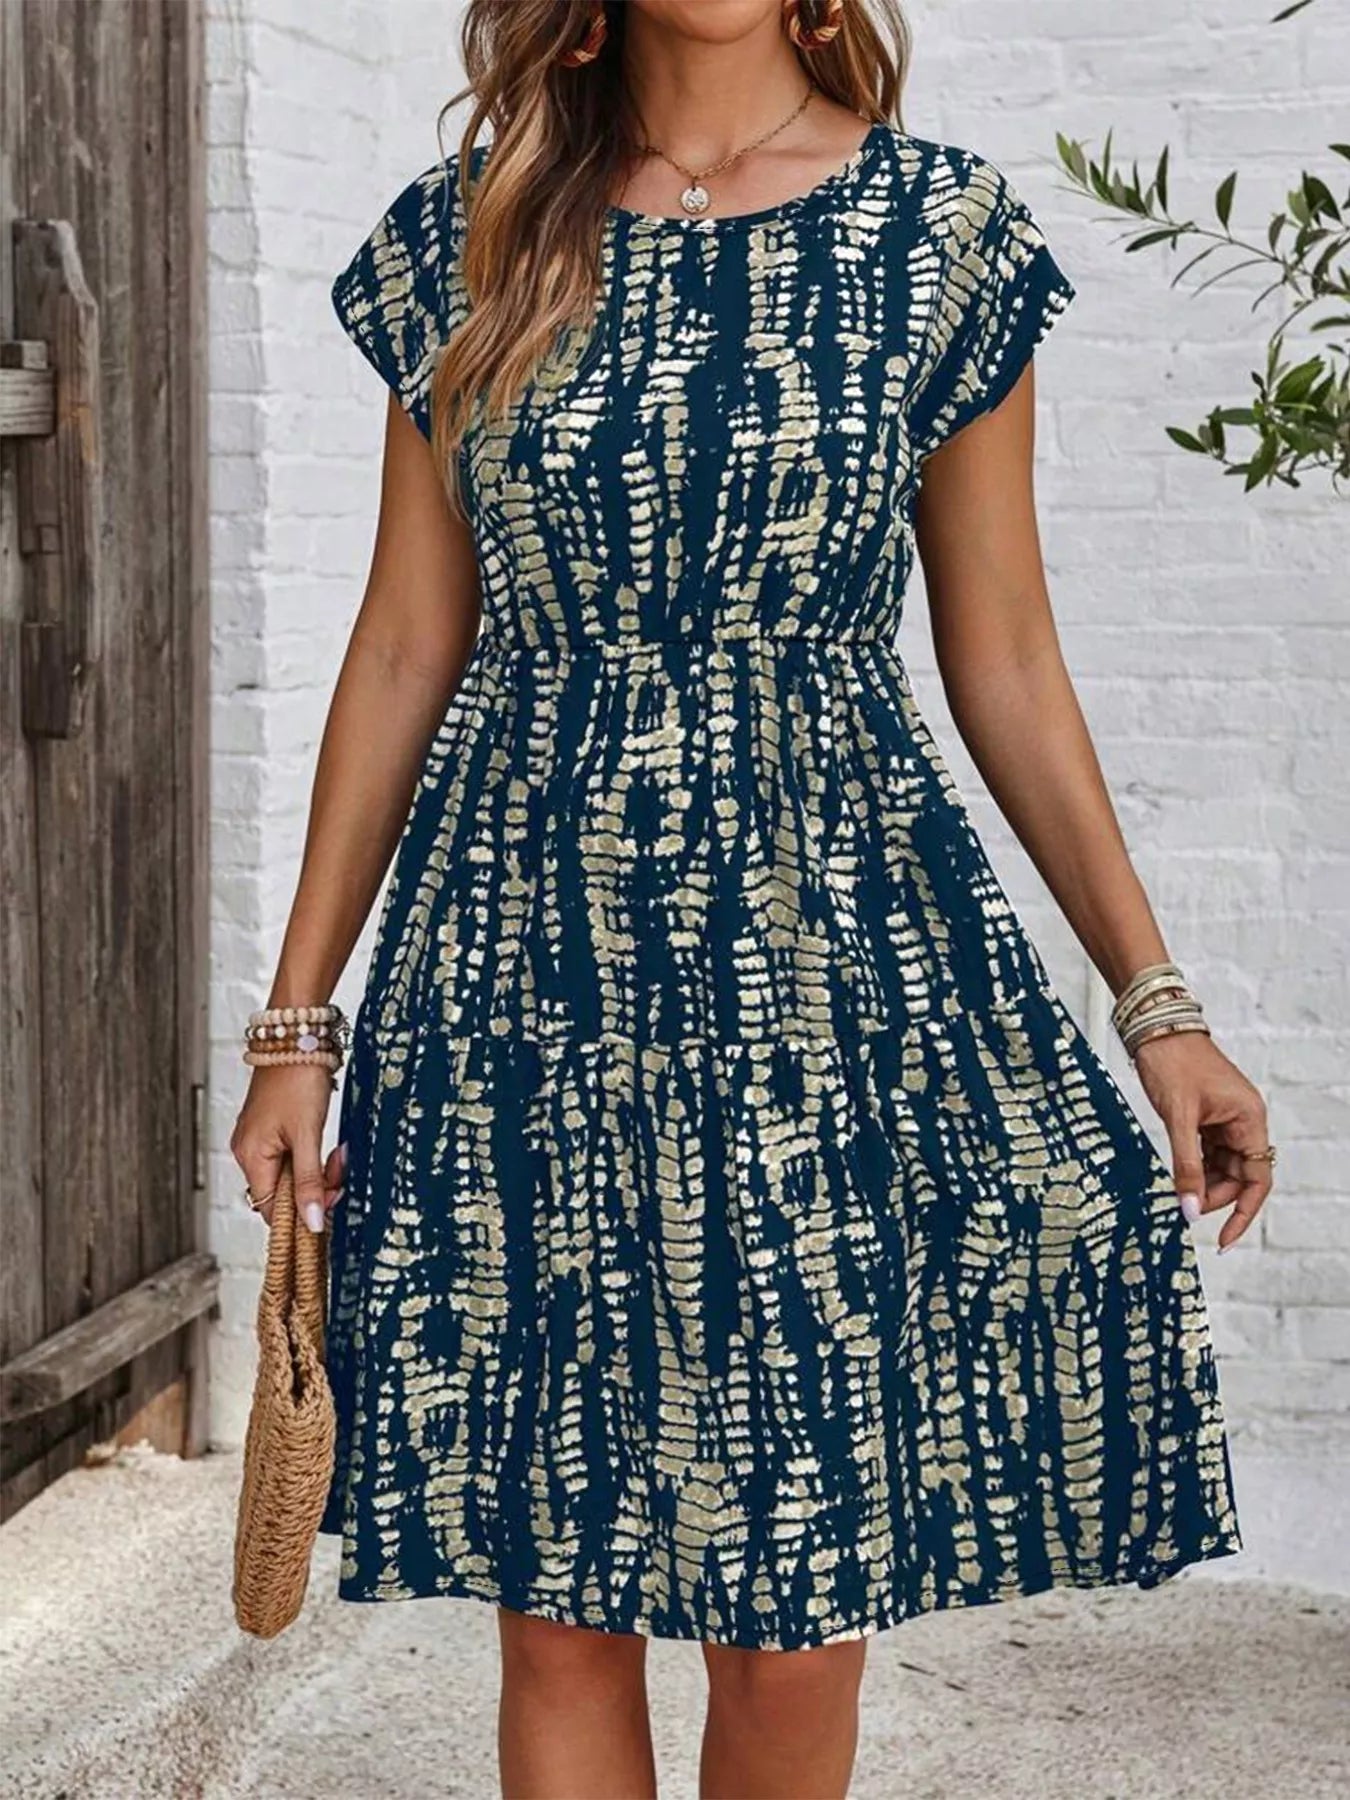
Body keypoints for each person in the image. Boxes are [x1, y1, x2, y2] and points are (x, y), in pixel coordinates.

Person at [230, 2, 1274, 1795]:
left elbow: (1005, 657)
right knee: (558, 1595)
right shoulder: (471, 231)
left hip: (826, 970)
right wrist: (296, 1024)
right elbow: (406, 643)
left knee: (789, 1623)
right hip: (522, 966)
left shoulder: (936, 240)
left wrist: (1154, 1002)